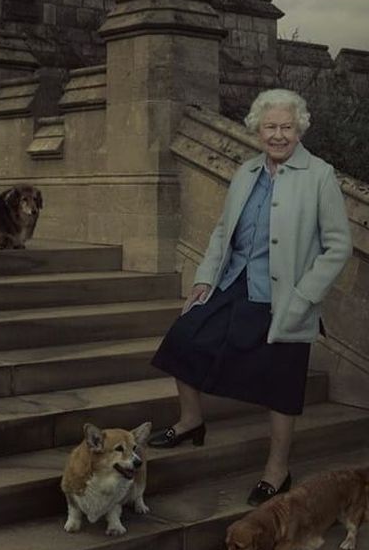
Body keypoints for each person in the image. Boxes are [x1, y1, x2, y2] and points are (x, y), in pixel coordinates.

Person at [148, 88, 353, 506]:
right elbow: (224, 231)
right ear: (257, 129)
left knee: (282, 382)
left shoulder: (320, 175)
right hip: (235, 282)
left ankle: (277, 471)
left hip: (285, 297)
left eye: (286, 127)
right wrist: (205, 279)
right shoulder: (245, 172)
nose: (278, 135)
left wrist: (304, 297)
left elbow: (338, 245)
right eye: (270, 127)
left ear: (300, 130)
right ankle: (191, 421)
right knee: (183, 339)